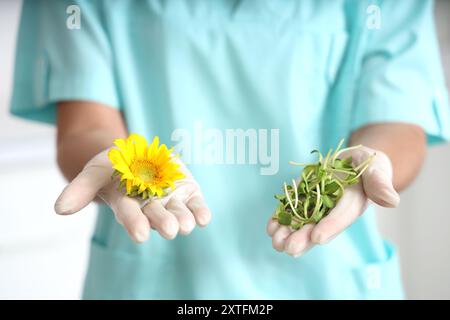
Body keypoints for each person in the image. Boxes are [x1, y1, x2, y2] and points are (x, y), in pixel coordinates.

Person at [11, 0, 450, 299]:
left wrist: (363, 166)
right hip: (154, 274)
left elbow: (399, 116)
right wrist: (118, 164)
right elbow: (85, 126)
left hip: (330, 276)